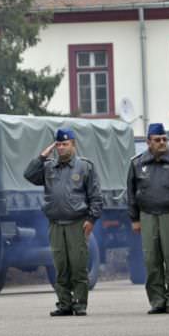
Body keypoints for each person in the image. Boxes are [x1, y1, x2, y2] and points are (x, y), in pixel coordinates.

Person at [24, 128, 102, 317]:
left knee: (78, 266)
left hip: (77, 223)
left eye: (65, 144)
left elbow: (95, 196)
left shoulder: (85, 167)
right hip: (56, 224)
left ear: (73, 145)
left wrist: (91, 219)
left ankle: (80, 304)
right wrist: (43, 155)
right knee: (60, 266)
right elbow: (29, 174)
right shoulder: (49, 167)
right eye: (58, 144)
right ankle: (64, 304)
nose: (61, 148)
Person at [127, 123, 169, 314]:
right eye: (157, 140)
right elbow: (131, 192)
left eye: (165, 139)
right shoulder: (137, 163)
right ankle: (157, 300)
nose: (162, 143)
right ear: (149, 141)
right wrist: (134, 218)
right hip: (147, 214)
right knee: (151, 259)